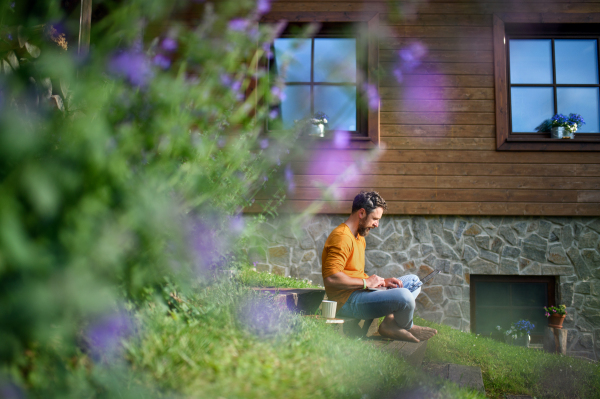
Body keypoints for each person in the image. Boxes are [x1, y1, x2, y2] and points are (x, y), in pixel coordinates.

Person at [321, 191, 437, 343]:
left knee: (413, 282)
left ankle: (390, 322)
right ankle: (407, 326)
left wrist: (382, 282)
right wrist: (366, 283)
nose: (377, 224)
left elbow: (353, 272)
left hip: (360, 292)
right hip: (346, 302)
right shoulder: (342, 237)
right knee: (405, 296)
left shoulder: (359, 237)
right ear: (361, 213)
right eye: (375, 219)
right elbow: (331, 278)